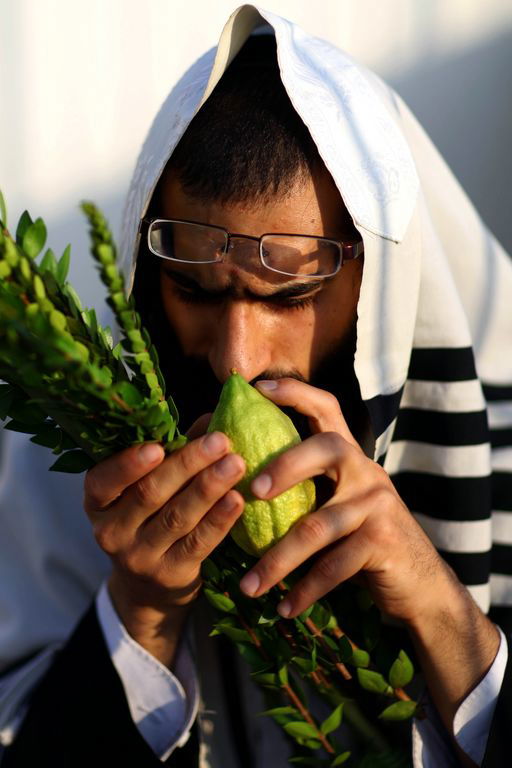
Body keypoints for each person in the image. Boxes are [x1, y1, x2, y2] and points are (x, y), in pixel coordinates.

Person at [1, 5, 511, 767]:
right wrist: (137, 614)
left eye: (291, 296)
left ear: (383, 288)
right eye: (197, 293)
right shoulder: (79, 478)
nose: (237, 360)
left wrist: (441, 611)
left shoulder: (496, 452)